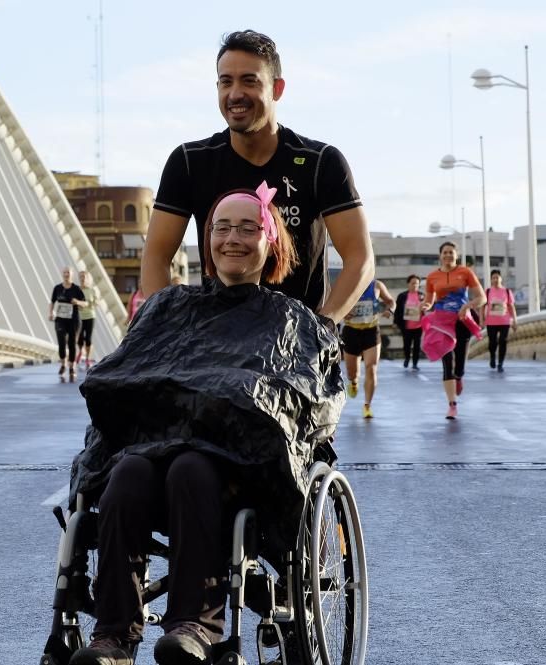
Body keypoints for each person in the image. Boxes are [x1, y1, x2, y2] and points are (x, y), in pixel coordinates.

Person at [69, 183, 339, 665]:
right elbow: (127, 371)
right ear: (207, 241)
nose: (232, 238)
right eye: (221, 228)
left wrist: (227, 403)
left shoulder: (294, 321)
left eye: (248, 228)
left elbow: (300, 402)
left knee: (190, 468)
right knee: (127, 474)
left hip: (242, 466)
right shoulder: (168, 306)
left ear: (270, 241)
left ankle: (196, 625)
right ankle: (113, 634)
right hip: (153, 453)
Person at [139, 29, 374, 328]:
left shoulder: (321, 162)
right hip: (216, 347)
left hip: (297, 352)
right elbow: (156, 256)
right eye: (226, 82)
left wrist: (321, 329)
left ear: (277, 89)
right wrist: (171, 332)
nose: (235, 94)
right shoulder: (189, 161)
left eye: (249, 81)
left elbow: (360, 258)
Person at [422, 242, 486, 419]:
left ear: (456, 255)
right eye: (445, 252)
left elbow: (482, 297)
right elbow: (429, 300)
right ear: (440, 256)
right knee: (447, 362)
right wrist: (425, 305)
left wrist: (468, 305)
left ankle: (459, 376)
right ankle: (452, 404)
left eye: (451, 252)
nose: (448, 255)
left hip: (461, 321)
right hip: (442, 323)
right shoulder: (433, 277)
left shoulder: (465, 273)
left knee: (459, 363)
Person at [340, 279, 394, 418]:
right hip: (351, 331)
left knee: (371, 367)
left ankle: (367, 406)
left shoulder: (377, 285)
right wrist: (343, 312)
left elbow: (390, 301)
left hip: (371, 330)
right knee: (352, 373)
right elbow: (335, 304)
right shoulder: (346, 282)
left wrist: (390, 310)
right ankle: (353, 382)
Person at [48, 267, 87, 381]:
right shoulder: (58, 288)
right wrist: (50, 313)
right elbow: (52, 302)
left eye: (68, 273)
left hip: (73, 320)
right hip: (60, 319)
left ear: (72, 275)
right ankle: (63, 363)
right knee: (61, 342)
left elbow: (85, 303)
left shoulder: (76, 289)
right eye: (64, 272)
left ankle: (71, 366)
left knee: (71, 343)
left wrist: (77, 302)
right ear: (62, 274)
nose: (66, 274)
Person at [484, 269, 518, 372]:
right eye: (493, 278)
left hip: (504, 321)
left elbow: (511, 306)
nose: (495, 279)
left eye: (497, 277)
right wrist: (481, 319)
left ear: (501, 278)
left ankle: (500, 363)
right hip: (491, 322)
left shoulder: (507, 291)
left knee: (503, 341)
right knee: (492, 342)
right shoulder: (488, 291)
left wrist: (515, 320)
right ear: (491, 280)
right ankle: (492, 357)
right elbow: (483, 306)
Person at [393, 274, 424, 370]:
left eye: (417, 283)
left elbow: (427, 308)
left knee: (417, 345)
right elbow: (397, 310)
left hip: (419, 325)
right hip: (406, 326)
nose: (415, 285)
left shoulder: (422, 296)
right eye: (413, 283)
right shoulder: (402, 296)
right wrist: (395, 322)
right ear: (408, 284)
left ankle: (415, 363)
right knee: (407, 344)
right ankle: (407, 358)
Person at [74, 271, 98, 369]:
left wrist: (88, 303)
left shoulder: (92, 290)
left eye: (84, 276)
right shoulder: (76, 290)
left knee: (88, 338)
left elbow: (96, 303)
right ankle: (80, 351)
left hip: (90, 316)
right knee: (79, 338)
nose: (82, 278)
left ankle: (87, 358)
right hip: (79, 316)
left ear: (87, 278)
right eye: (81, 277)